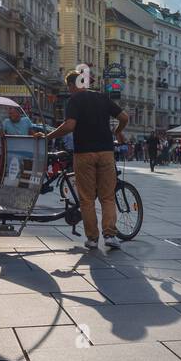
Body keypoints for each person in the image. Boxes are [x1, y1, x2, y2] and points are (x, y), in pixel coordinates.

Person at [36, 71, 129, 250]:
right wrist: (117, 132)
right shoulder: (102, 97)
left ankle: (93, 239)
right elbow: (124, 117)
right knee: (107, 196)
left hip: (84, 153)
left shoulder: (74, 100)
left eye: (69, 87)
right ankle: (110, 235)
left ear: (72, 85)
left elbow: (70, 125)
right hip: (106, 153)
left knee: (87, 199)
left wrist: (48, 136)